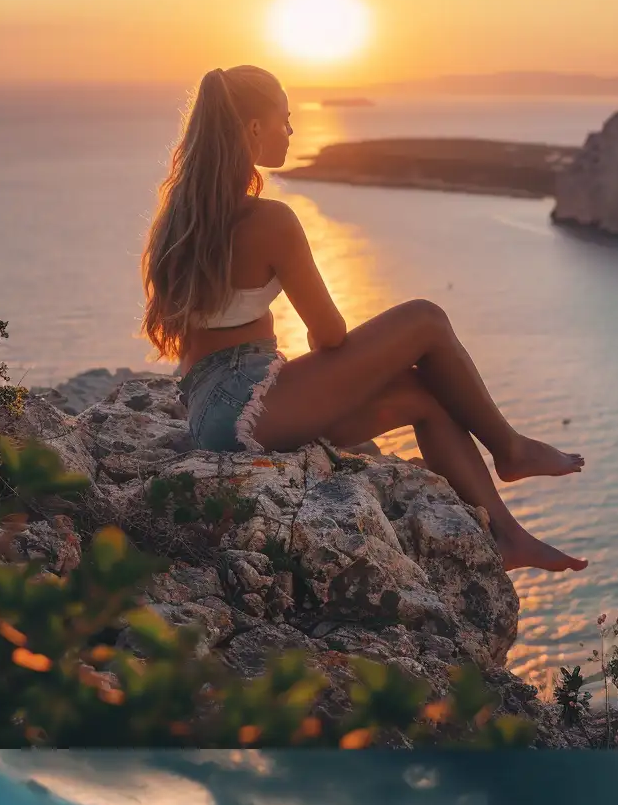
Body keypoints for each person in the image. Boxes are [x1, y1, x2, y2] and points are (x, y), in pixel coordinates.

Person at [142, 64, 587, 574]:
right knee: (425, 319)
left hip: (211, 404)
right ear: (254, 128)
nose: (291, 131)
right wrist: (344, 357)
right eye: (285, 119)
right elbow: (329, 335)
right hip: (244, 403)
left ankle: (509, 537)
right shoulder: (270, 221)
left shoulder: (180, 214)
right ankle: (510, 448)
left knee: (424, 396)